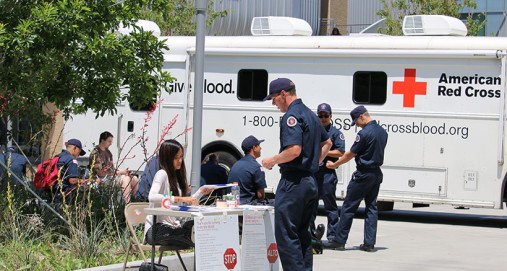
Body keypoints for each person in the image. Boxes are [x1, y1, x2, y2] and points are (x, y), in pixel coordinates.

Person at [261, 78, 332, 270]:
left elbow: (294, 150)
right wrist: (314, 162)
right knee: (303, 235)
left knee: (286, 235)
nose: (273, 104)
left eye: (274, 99)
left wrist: (272, 160)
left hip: (294, 183)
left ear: (283, 94)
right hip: (310, 182)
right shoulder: (310, 114)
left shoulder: (291, 117)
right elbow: (327, 143)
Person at [323, 105, 388, 252]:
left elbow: (349, 154)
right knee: (371, 207)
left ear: (362, 117)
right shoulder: (383, 132)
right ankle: (369, 244)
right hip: (376, 173)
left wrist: (335, 164)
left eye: (356, 122)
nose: (356, 125)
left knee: (348, 207)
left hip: (363, 175)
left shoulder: (364, 134)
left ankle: (339, 241)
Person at [144, 139, 214, 246]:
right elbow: (152, 196)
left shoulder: (176, 178)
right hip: (156, 229)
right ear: (167, 159)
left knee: (201, 227)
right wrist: (178, 198)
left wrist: (201, 192)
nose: (180, 160)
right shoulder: (162, 174)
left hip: (173, 226)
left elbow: (188, 202)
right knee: (194, 234)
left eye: (181, 157)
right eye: (176, 158)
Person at [311, 103, 345, 241]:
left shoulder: (336, 133)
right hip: (313, 174)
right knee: (310, 206)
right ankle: (311, 234)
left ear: (331, 116)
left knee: (330, 207)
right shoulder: (312, 131)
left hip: (327, 174)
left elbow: (341, 152)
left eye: (326, 115)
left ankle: (332, 236)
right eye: (320, 115)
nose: (323, 118)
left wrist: (324, 151)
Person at [89, 131, 139, 202]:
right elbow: (100, 173)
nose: (110, 144)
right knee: (126, 179)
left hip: (110, 177)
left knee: (134, 179)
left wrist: (122, 172)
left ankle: (135, 202)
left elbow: (111, 169)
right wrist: (119, 172)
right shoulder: (96, 153)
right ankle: (127, 204)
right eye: (109, 141)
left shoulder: (108, 153)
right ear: (102, 140)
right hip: (101, 180)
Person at [227, 135, 267, 205]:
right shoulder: (257, 167)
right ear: (254, 148)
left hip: (233, 203)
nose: (261, 148)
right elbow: (261, 195)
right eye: (259, 145)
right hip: (248, 205)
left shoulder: (235, 165)